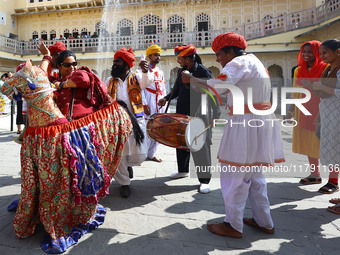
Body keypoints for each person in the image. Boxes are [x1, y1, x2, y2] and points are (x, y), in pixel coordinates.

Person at [182, 33, 285, 237]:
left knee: (234, 175)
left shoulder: (238, 63)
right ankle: (264, 221)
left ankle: (233, 225)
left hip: (245, 122)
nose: (218, 59)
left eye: (219, 54)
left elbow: (219, 86)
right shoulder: (254, 61)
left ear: (231, 50)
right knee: (255, 176)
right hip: (259, 120)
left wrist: (190, 78)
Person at [158, 44, 220, 194]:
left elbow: (213, 93)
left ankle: (204, 180)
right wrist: (166, 99)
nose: (178, 61)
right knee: (181, 141)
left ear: (187, 59)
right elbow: (178, 90)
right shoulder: (181, 71)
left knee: (201, 146)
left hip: (200, 113)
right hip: (183, 112)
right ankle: (183, 170)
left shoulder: (203, 71)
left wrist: (216, 114)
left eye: (180, 58)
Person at [105, 47, 152, 198]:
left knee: (140, 153)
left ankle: (129, 165)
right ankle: (124, 183)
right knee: (119, 153)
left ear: (126, 65)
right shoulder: (109, 81)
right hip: (117, 121)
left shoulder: (137, 77)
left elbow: (147, 82)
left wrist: (145, 71)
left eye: (117, 61)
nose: (114, 64)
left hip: (137, 120)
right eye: (114, 61)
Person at [285, 41, 328, 185]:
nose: (306, 54)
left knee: (327, 142)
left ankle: (334, 179)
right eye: (304, 51)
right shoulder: (299, 70)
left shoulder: (326, 69)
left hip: (321, 108)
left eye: (310, 51)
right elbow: (296, 91)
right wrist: (290, 111)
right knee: (309, 142)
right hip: (303, 109)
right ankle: (315, 174)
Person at [301, 39, 340, 198]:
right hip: (330, 114)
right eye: (321, 53)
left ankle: (334, 181)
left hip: (337, 114)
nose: (322, 56)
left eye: (325, 53)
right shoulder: (330, 69)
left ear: (337, 52)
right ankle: (333, 181)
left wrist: (319, 86)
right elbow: (325, 97)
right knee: (332, 148)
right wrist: (319, 116)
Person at [142, 44, 167, 162]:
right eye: (156, 55)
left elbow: (163, 87)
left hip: (159, 100)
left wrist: (165, 100)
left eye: (159, 55)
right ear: (149, 56)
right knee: (147, 127)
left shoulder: (160, 71)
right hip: (149, 99)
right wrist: (144, 104)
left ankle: (152, 154)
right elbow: (141, 89)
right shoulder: (144, 71)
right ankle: (142, 155)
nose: (158, 57)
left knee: (158, 127)